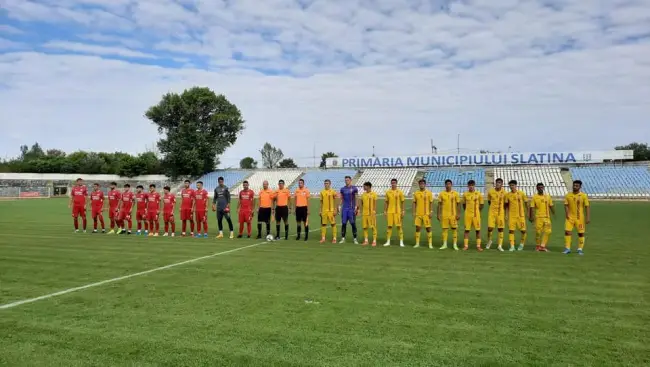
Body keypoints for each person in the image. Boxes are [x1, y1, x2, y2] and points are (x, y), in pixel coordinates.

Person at [563, 180, 590, 255]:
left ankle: (580, 249)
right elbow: (566, 205)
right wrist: (567, 214)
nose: (575, 187)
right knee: (567, 232)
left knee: (581, 234)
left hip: (579, 218)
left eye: (577, 186)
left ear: (580, 187)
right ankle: (567, 248)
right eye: (574, 185)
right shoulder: (568, 195)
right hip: (570, 218)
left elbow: (587, 206)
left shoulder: (583, 196)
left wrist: (588, 217)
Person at [529, 182, 554, 252]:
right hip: (538, 217)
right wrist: (531, 216)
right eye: (539, 187)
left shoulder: (547, 196)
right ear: (537, 188)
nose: (540, 188)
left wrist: (553, 212)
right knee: (538, 232)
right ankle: (537, 246)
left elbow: (551, 205)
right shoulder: (534, 197)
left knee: (548, 231)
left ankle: (542, 246)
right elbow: (532, 207)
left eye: (541, 187)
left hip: (547, 217)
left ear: (543, 188)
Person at [505, 180, 528, 251]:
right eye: (510, 185)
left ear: (515, 185)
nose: (511, 187)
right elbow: (506, 206)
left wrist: (528, 213)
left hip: (521, 216)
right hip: (512, 216)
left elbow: (526, 203)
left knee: (523, 231)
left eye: (513, 185)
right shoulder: (508, 195)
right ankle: (512, 246)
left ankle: (522, 244)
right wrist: (506, 215)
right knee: (511, 231)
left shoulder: (521, 193)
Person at [437, 179, 460, 250]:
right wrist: (438, 214)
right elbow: (439, 205)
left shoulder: (455, 193)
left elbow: (458, 204)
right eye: (447, 184)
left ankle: (455, 244)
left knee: (454, 229)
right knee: (445, 229)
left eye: (449, 184)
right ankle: (444, 244)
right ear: (445, 185)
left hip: (453, 215)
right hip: (444, 214)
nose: (448, 185)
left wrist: (458, 214)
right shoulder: (441, 194)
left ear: (451, 185)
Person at [462, 180, 484, 251]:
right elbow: (464, 205)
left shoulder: (478, 194)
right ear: (468, 186)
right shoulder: (465, 194)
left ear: (474, 185)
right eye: (470, 185)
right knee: (466, 230)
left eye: (472, 185)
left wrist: (477, 211)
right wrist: (467, 211)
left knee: (478, 230)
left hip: (476, 215)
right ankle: (465, 246)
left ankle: (478, 246)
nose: (471, 186)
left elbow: (481, 204)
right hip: (467, 215)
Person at [384, 178, 406, 247]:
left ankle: (401, 242)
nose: (393, 184)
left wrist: (403, 210)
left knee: (399, 227)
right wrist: (385, 211)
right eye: (392, 183)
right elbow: (386, 202)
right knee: (389, 226)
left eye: (394, 183)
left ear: (396, 184)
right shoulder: (388, 192)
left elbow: (402, 202)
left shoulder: (400, 192)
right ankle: (388, 241)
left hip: (397, 212)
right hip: (390, 212)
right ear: (391, 184)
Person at [412, 179, 434, 249]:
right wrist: (414, 212)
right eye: (420, 183)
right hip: (418, 214)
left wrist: (431, 212)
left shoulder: (429, 193)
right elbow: (414, 203)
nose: (422, 185)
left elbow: (431, 203)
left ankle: (430, 244)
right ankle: (417, 243)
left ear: (425, 184)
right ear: (419, 185)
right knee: (417, 228)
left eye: (423, 183)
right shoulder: (416, 193)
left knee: (428, 228)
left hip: (426, 214)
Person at [486, 178, 506, 251]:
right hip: (492, 213)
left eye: (500, 183)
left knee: (500, 229)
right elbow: (489, 201)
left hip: (500, 213)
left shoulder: (504, 193)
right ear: (495, 183)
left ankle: (500, 245)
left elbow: (506, 203)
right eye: (497, 182)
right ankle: (489, 241)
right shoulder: (491, 192)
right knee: (490, 228)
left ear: (502, 184)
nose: (498, 184)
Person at [339, 176, 359, 244]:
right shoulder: (342, 189)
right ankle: (343, 238)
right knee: (343, 223)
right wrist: (339, 206)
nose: (346, 181)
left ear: (351, 180)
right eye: (345, 180)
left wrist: (356, 206)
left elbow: (356, 198)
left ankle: (355, 239)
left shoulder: (354, 188)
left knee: (353, 224)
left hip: (351, 209)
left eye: (348, 180)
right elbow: (342, 198)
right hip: (344, 209)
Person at [319, 179, 338, 243]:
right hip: (324, 211)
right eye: (325, 183)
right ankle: (323, 238)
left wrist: (335, 210)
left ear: (330, 184)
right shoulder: (322, 192)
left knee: (333, 224)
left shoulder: (333, 192)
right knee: (323, 224)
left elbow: (335, 201)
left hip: (331, 211)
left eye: (327, 183)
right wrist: (320, 210)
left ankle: (334, 238)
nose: (326, 184)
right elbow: (321, 202)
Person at [359, 182, 377, 246]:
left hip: (371, 214)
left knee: (373, 227)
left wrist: (374, 211)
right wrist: (360, 211)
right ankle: (366, 240)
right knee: (365, 227)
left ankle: (374, 241)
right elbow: (361, 203)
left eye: (364, 186)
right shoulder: (363, 194)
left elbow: (375, 203)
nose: (363, 187)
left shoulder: (374, 194)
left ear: (368, 186)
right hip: (364, 214)